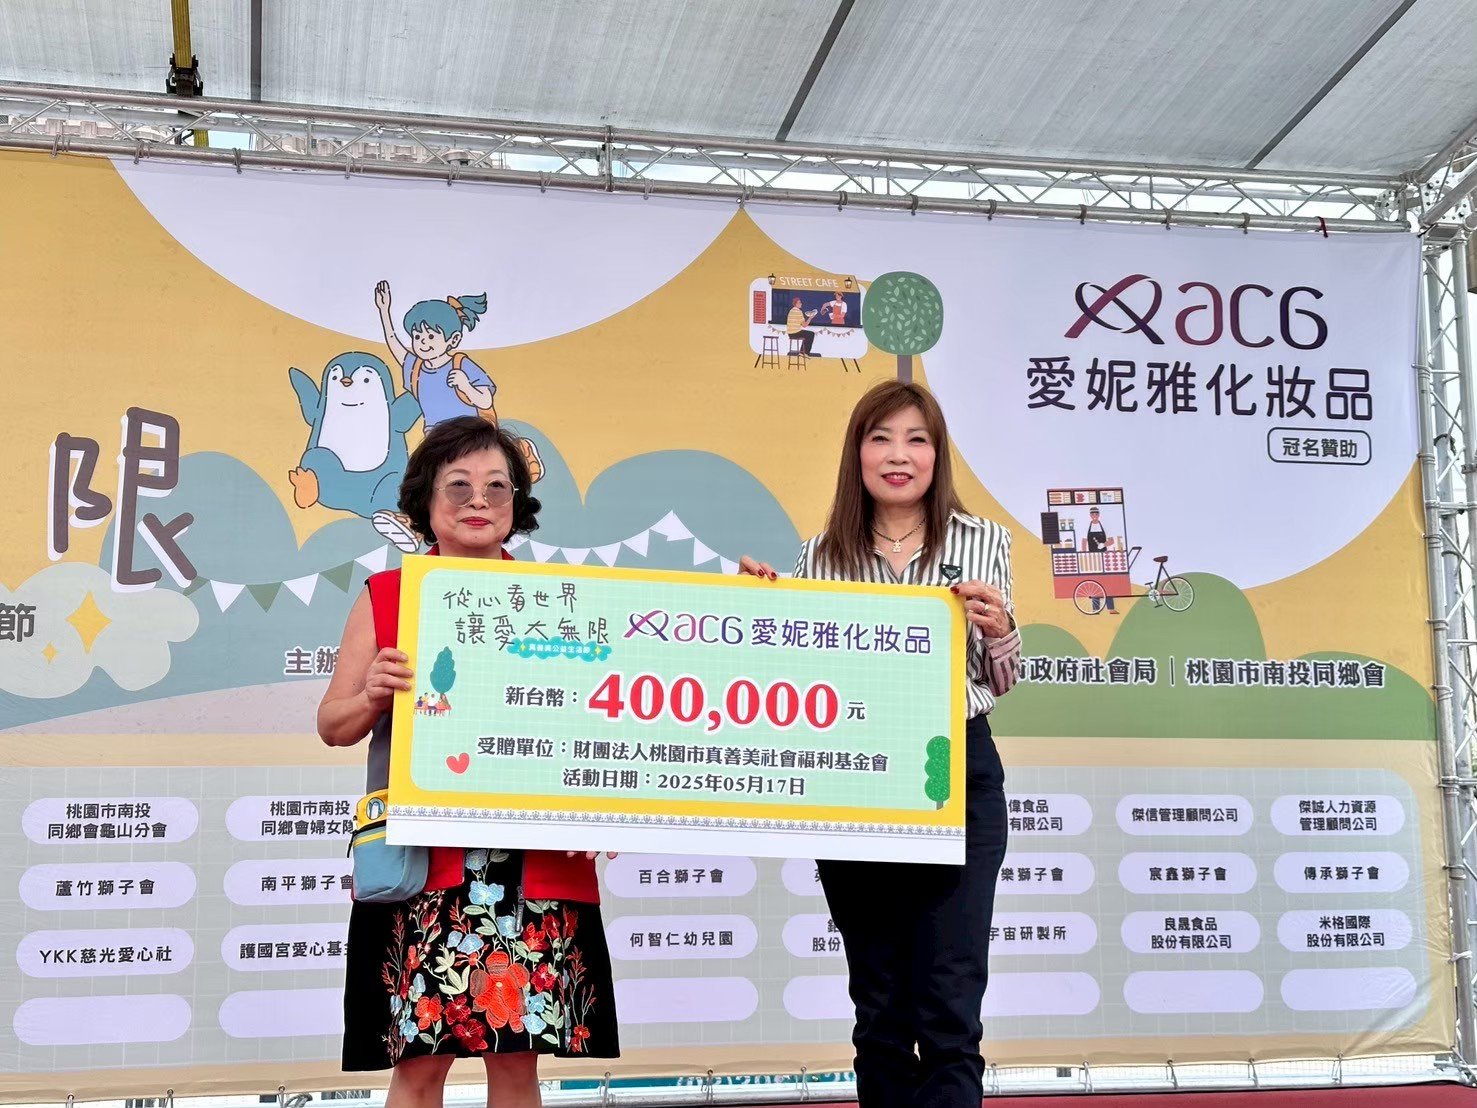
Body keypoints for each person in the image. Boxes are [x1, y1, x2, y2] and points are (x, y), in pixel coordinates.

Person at [318, 416, 618, 1105]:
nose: (478, 500)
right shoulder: (387, 596)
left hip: (533, 859)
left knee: (517, 1063)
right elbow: (333, 725)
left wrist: (607, 808)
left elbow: (596, 725)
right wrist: (371, 695)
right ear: (425, 501)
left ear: (517, 504)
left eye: (496, 487)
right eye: (458, 486)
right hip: (426, 863)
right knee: (419, 1066)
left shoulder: (561, 603)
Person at [739, 380, 1020, 1108]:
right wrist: (761, 610)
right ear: (857, 453)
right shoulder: (819, 555)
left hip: (956, 770)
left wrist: (1000, 632)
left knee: (950, 1002)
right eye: (881, 438)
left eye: (917, 440)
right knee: (881, 1006)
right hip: (855, 776)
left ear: (937, 455)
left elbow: (1001, 679)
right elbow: (798, 681)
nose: (899, 455)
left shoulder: (983, 541)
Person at [1084, 506, 1117, 614]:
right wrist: (1084, 555)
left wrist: (1104, 544)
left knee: (1107, 582)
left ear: (1099, 515)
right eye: (1092, 514)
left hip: (1104, 557)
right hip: (1092, 558)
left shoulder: (1105, 526)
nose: (1094, 516)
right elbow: (1084, 542)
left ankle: (1111, 608)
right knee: (1095, 582)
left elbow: (1111, 541)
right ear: (1090, 515)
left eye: (1096, 514)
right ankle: (1096, 608)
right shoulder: (1086, 527)